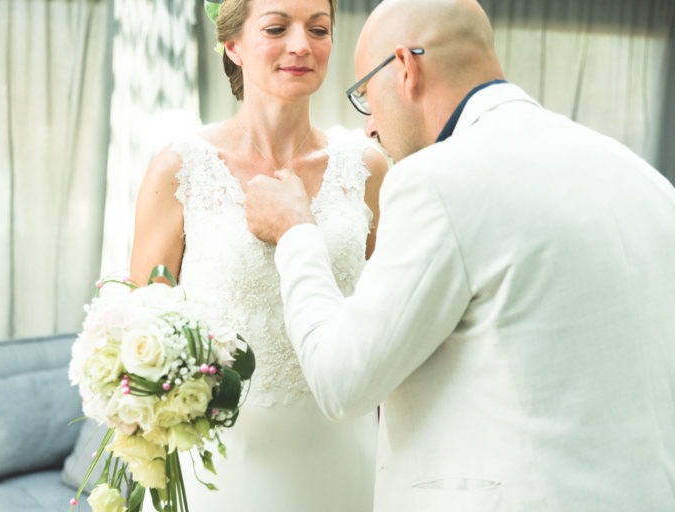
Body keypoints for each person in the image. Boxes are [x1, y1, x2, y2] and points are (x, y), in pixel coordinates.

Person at [243, 0, 675, 511]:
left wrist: (296, 232)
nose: (371, 128)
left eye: (366, 96)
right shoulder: (644, 179)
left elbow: (342, 381)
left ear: (405, 68)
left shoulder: (437, 182)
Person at [129, 0, 388, 510]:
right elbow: (144, 330)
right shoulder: (180, 169)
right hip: (221, 462)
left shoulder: (367, 168)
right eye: (276, 28)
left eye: (319, 29)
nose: (302, 45)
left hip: (342, 448)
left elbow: (387, 317)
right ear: (233, 45)